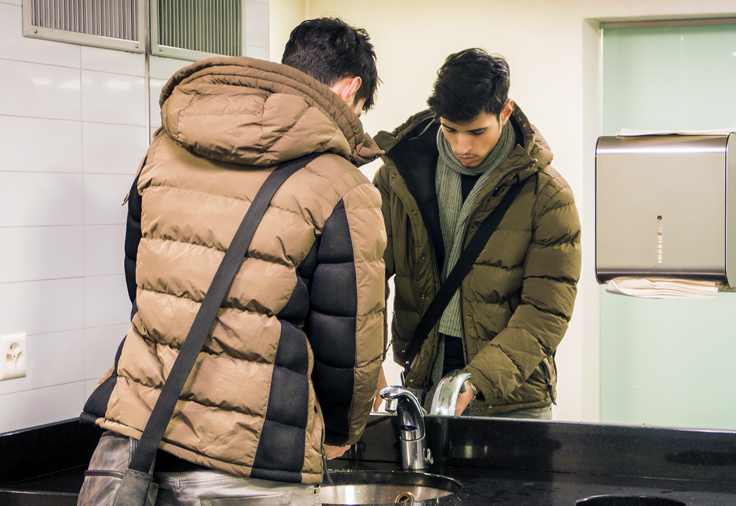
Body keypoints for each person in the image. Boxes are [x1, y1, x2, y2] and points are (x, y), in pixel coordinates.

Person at [78, 17, 386, 506]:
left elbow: (143, 288)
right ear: (350, 91)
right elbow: (346, 343)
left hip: (140, 442)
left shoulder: (163, 150)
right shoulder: (343, 188)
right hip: (255, 465)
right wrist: (340, 429)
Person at [373, 48, 581, 420]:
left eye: (476, 131)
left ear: (505, 111)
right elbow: (367, 276)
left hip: (513, 399)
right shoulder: (399, 174)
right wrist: (366, 365)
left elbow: (546, 310)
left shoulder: (547, 195)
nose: (462, 146)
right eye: (449, 129)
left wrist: (478, 379)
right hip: (423, 380)